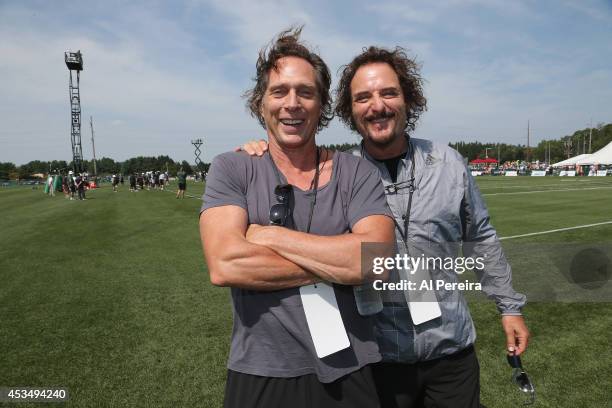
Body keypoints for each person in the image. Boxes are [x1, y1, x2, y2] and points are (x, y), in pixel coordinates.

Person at [241, 46, 530, 408]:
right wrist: (260, 150)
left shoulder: (448, 163)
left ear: (408, 98)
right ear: (349, 109)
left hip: (450, 351)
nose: (376, 106)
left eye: (388, 93)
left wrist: (509, 307)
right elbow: (288, 166)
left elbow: (481, 237)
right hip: (375, 358)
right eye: (363, 97)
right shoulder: (336, 172)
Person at [199, 28, 395, 408]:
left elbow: (377, 260)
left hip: (349, 368)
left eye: (305, 92)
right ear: (260, 104)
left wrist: (270, 237)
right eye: (279, 91)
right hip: (261, 369)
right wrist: (339, 262)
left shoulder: (355, 172)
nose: (292, 103)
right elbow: (225, 264)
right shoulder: (232, 168)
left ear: (321, 105)